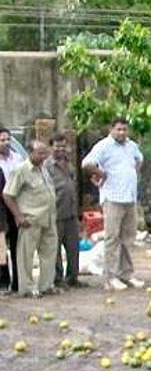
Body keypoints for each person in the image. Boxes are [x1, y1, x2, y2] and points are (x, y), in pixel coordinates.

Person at [81, 117, 145, 291]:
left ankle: (127, 274)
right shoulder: (104, 146)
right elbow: (86, 163)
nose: (122, 133)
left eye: (124, 129)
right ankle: (111, 277)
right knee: (112, 237)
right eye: (119, 129)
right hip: (112, 197)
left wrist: (131, 174)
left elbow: (139, 160)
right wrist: (100, 174)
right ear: (111, 129)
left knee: (128, 237)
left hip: (130, 197)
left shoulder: (131, 146)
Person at [2, 140, 58, 297]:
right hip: (30, 219)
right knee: (26, 254)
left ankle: (46, 285)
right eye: (40, 153)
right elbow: (8, 194)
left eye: (44, 153)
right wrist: (18, 216)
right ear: (30, 153)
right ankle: (27, 287)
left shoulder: (43, 169)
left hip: (48, 217)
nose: (43, 156)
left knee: (49, 252)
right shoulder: (21, 170)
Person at [47, 133, 83, 288]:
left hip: (71, 213)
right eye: (57, 146)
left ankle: (73, 277)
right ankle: (58, 279)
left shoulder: (69, 164)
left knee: (73, 247)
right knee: (55, 249)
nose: (61, 149)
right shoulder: (47, 166)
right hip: (56, 213)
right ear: (51, 147)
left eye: (63, 146)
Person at [0, 127, 26, 291]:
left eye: (8, 139)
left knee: (17, 244)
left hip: (17, 204)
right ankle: (3, 281)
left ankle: (18, 282)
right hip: (0, 207)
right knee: (1, 245)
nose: (6, 143)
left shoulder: (18, 159)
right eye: (2, 140)